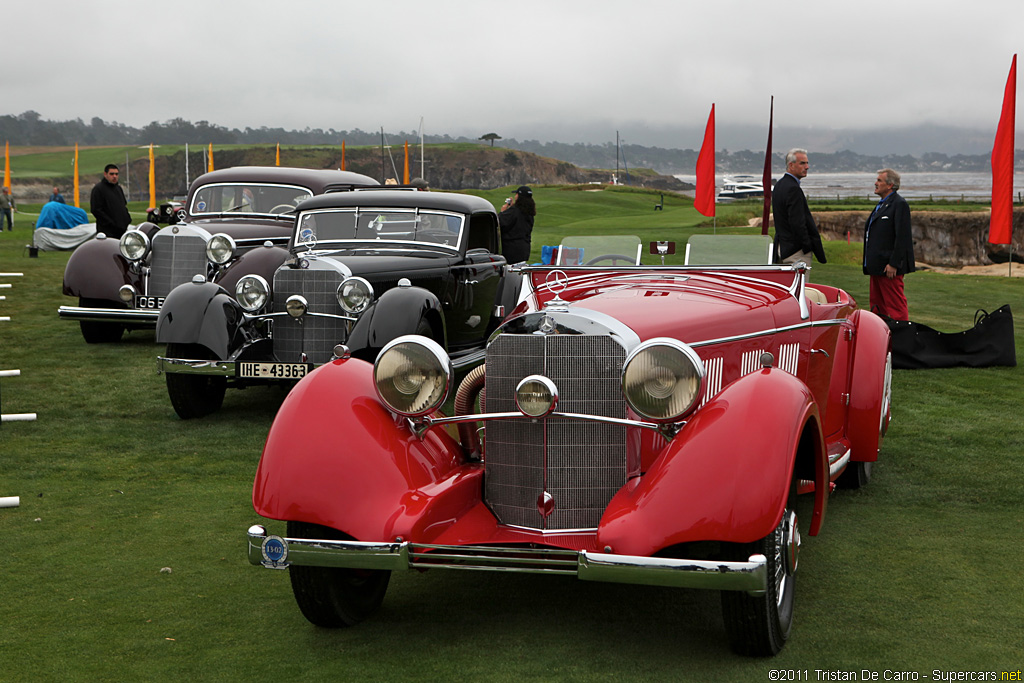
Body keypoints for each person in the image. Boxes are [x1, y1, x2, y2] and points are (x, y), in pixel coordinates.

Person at [864, 168, 915, 320]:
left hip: (889, 267)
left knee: (895, 306)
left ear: (890, 185)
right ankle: (880, 336)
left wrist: (894, 263)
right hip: (876, 265)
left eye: (879, 180)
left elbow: (903, 236)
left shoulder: (899, 204)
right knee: (877, 306)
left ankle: (901, 338)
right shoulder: (882, 204)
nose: (875, 183)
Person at [772, 148, 826, 264]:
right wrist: (806, 245)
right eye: (802, 163)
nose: (807, 167)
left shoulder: (779, 185)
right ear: (791, 165)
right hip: (796, 251)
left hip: (782, 248)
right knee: (799, 282)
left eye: (807, 163)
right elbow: (797, 222)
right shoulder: (793, 189)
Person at [90, 164, 132, 239]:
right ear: (105, 174)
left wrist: (127, 219)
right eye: (111, 174)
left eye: (116, 174)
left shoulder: (118, 188)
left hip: (121, 231)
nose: (114, 176)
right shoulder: (98, 189)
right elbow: (96, 210)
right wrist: (111, 223)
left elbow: (123, 206)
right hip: (107, 232)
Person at [499, 185, 536, 264]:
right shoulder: (529, 212)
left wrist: (503, 212)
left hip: (511, 251)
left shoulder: (514, 211)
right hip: (524, 250)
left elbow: (500, 223)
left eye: (516, 194)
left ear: (519, 196)